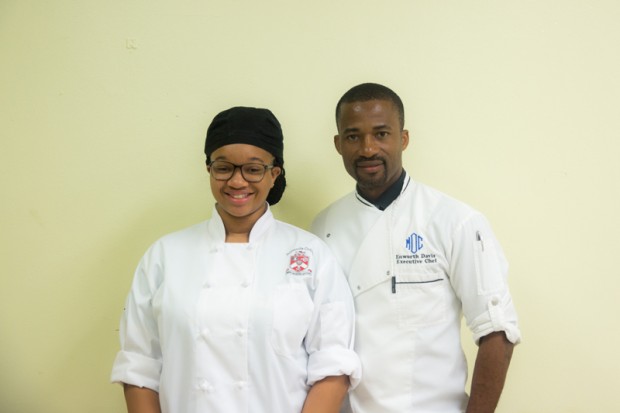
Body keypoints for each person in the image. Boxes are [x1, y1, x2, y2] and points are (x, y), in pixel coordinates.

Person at [111, 106, 361, 413]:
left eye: (253, 169)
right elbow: (139, 366)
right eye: (224, 167)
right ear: (209, 169)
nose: (237, 181)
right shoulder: (165, 256)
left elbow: (333, 365)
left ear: (274, 174)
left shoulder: (312, 255)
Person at [311, 83, 521, 413]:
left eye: (381, 134)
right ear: (338, 144)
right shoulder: (322, 227)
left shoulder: (455, 221)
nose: (368, 149)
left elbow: (497, 332)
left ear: (403, 139)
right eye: (353, 137)